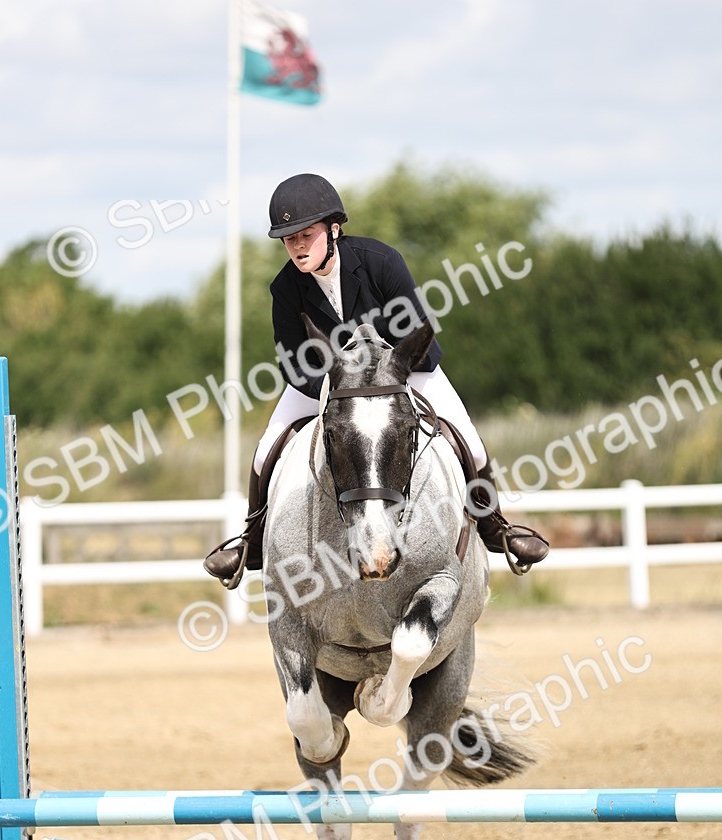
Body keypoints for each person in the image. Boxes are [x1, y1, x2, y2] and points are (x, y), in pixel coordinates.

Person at [204, 173, 549, 586]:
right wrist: (339, 390)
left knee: (469, 442)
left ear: (334, 230)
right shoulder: (285, 288)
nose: (296, 245)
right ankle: (253, 543)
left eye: (305, 234)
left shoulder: (380, 261)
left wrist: (386, 375)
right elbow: (293, 363)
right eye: (288, 238)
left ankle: (497, 528)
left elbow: (418, 331)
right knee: (265, 453)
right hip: (329, 386)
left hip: (405, 373)